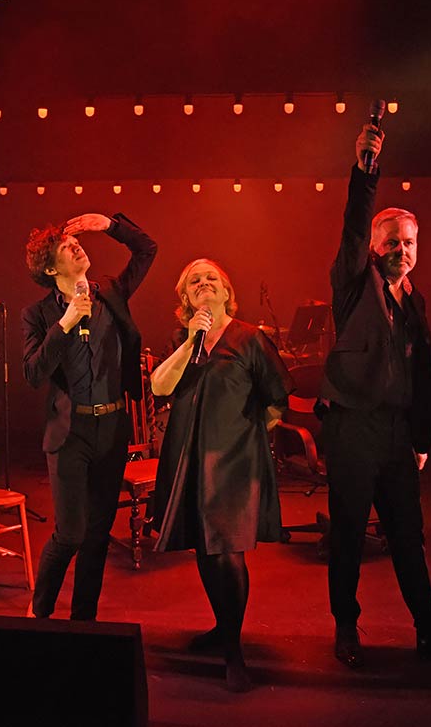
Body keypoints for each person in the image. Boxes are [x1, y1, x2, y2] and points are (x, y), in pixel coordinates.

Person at [320, 124, 431, 669]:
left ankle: (430, 632)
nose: (400, 249)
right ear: (374, 248)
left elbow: (426, 375)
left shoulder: (416, 301)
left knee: (409, 538)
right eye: (391, 241)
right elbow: (353, 225)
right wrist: (366, 168)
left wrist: (421, 439)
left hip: (395, 434)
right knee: (348, 536)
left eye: (408, 242)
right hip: (353, 429)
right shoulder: (353, 284)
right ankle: (346, 629)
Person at [149, 259, 292, 693]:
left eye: (212, 277)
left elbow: (276, 400)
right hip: (191, 458)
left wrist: (243, 437)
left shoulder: (250, 338)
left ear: (227, 292)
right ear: (185, 298)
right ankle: (222, 626)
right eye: (194, 280)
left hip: (234, 463)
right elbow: (159, 386)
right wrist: (191, 339)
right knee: (206, 547)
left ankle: (233, 651)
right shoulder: (183, 340)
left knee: (228, 553)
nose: (204, 283)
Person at [22, 212, 157, 621]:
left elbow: (147, 249)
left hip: (112, 428)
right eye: (66, 247)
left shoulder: (111, 292)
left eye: (75, 242)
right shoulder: (38, 315)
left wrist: (109, 226)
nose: (77, 246)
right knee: (70, 534)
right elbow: (33, 374)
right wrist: (65, 324)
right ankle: (39, 615)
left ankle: (84, 622)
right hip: (70, 432)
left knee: (97, 534)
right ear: (50, 269)